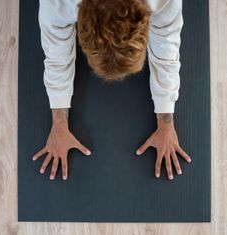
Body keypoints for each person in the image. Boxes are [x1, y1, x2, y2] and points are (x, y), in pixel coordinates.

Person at [32, 0, 191, 181]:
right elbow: (56, 55)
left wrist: (166, 119)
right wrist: (58, 120)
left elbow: (166, 47)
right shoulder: (58, 3)